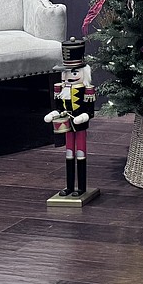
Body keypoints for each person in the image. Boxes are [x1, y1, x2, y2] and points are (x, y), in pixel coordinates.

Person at [44, 37, 95, 198]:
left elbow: (90, 111)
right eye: (66, 72)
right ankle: (68, 186)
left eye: (74, 72)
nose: (69, 76)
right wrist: (54, 113)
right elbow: (59, 107)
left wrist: (83, 117)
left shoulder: (86, 90)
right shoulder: (61, 89)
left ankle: (81, 187)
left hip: (79, 126)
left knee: (80, 155)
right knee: (68, 154)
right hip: (66, 124)